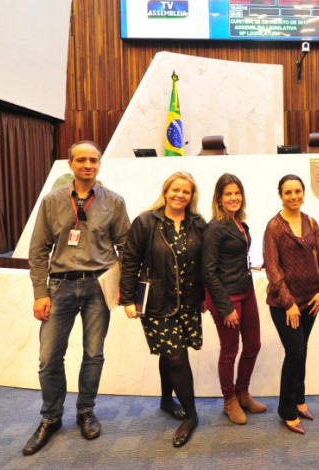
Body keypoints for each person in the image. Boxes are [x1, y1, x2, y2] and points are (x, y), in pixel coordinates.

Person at [24, 141, 130, 456]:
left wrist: (123, 284)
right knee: (48, 358)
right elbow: (38, 250)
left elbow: (126, 246)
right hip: (60, 287)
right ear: (71, 163)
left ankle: (86, 411)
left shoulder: (114, 202)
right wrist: (40, 293)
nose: (88, 165)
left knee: (93, 354)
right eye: (81, 159)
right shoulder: (52, 201)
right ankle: (51, 417)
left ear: (99, 164)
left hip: (99, 287)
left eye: (93, 160)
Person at [120, 171, 207, 448]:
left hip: (189, 302)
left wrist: (206, 296)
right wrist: (127, 299)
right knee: (176, 357)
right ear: (166, 191)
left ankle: (167, 401)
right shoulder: (146, 222)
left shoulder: (198, 224)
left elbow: (205, 262)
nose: (180, 195)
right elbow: (130, 260)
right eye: (176, 190)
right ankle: (191, 416)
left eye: (186, 192)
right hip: (157, 302)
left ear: (192, 197)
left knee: (168, 353)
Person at [263, 174, 319, 435]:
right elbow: (273, 269)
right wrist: (289, 303)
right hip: (284, 304)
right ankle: (287, 410)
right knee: (295, 354)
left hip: (311, 301)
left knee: (301, 350)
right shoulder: (274, 227)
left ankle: (300, 400)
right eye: (288, 192)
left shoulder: (310, 222)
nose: (293, 196)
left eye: (297, 191)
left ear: (304, 193)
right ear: (280, 195)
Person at [203, 173, 266, 425]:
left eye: (237, 193)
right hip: (226, 299)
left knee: (253, 345)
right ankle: (229, 400)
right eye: (228, 194)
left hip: (246, 292)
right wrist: (226, 307)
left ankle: (243, 392)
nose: (233, 198)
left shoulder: (240, 224)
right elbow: (208, 271)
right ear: (219, 198)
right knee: (230, 351)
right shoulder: (215, 228)